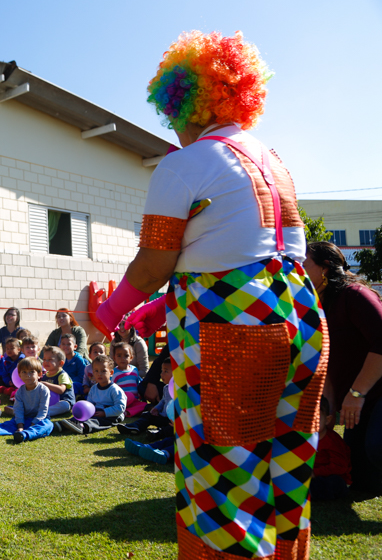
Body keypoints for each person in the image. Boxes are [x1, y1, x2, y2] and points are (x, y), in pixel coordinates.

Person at [100, 31, 326, 558]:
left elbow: (156, 262)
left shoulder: (185, 163)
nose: (172, 128)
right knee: (287, 469)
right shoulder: (274, 163)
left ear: (184, 104)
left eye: (170, 114)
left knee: (224, 484)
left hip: (234, 331)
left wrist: (107, 313)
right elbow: (236, 250)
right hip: (302, 316)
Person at [306, 241, 382, 494]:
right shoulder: (315, 306)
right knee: (363, 482)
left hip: (370, 395)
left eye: (303, 265)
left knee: (378, 448)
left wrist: (356, 394)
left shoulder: (355, 295)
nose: (296, 272)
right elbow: (327, 363)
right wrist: (325, 413)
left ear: (325, 268)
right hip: (358, 404)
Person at [0, 357, 54, 444]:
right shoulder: (20, 391)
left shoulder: (43, 390)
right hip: (24, 419)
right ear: (19, 375)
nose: (28, 375)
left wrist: (33, 424)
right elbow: (18, 409)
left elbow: (43, 411)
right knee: (9, 424)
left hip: (39, 421)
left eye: (31, 372)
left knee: (48, 425)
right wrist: (20, 425)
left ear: (39, 374)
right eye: (24, 372)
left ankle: (24, 435)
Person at [59, 354, 126, 434]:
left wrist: (105, 412)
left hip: (112, 415)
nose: (99, 374)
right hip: (96, 411)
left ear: (111, 372)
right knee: (82, 416)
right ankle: (65, 424)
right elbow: (89, 404)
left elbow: (120, 407)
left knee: (97, 421)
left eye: (103, 371)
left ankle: (84, 427)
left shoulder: (115, 389)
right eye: (96, 371)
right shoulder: (93, 388)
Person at [310, 397, 351, 501]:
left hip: (335, 477)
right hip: (313, 474)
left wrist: (315, 472)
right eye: (308, 419)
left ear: (327, 420)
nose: (311, 423)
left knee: (332, 484)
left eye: (316, 419)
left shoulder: (332, 441)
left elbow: (340, 467)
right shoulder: (304, 438)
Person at [110, 342, 145, 417]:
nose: (122, 358)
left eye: (126, 356)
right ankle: (119, 409)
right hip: (121, 400)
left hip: (134, 401)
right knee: (129, 395)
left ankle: (126, 413)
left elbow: (137, 383)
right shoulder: (114, 373)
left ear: (131, 357)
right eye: (119, 356)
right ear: (114, 357)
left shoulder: (134, 370)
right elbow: (110, 388)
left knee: (145, 405)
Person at [40, 347, 75, 418]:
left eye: (50, 360)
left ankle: (42, 413)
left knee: (64, 406)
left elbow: (61, 390)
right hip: (49, 402)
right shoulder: (45, 375)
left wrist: (46, 384)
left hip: (63, 401)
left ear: (60, 363)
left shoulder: (62, 375)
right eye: (44, 359)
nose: (46, 362)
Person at [59, 334, 89, 398]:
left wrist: (68, 382)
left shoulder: (78, 359)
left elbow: (82, 376)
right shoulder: (60, 359)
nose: (65, 346)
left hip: (75, 384)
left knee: (73, 386)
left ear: (75, 346)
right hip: (62, 383)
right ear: (60, 346)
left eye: (69, 344)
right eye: (63, 344)